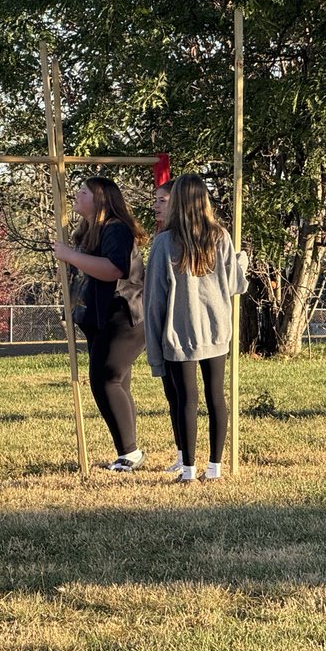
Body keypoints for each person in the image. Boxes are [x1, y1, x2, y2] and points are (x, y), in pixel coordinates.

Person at [144, 173, 249, 483]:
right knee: (216, 396)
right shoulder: (221, 237)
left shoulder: (164, 242)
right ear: (204, 200)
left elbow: (154, 300)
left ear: (177, 201)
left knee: (186, 400)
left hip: (179, 334)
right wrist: (241, 262)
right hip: (217, 331)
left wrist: (154, 349)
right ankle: (214, 467)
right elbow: (234, 285)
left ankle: (188, 470)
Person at [52, 177, 149, 472]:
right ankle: (128, 449)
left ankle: (129, 452)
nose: (77, 195)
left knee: (106, 379)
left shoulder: (116, 228)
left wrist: (70, 256)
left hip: (124, 316)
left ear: (101, 200)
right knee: (116, 381)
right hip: (100, 316)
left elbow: (114, 269)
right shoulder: (91, 230)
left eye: (84, 191)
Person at [151, 179, 185, 474]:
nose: (155, 206)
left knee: (192, 395)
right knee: (174, 395)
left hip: (197, 333)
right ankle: (183, 453)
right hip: (169, 330)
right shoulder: (161, 240)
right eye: (156, 200)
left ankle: (210, 461)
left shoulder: (210, 237)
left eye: (162, 200)